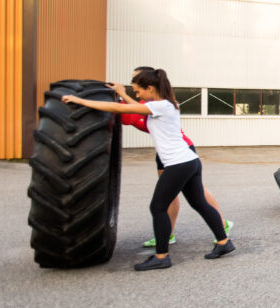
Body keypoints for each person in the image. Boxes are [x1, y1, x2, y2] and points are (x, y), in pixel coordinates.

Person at [62, 68, 235, 271]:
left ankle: (162, 256)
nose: (137, 95)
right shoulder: (166, 104)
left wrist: (81, 101)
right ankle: (224, 242)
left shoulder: (160, 106)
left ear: (150, 88)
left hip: (179, 164)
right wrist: (123, 93)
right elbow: (137, 108)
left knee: (158, 207)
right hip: (189, 161)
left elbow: (117, 108)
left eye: (138, 91)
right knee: (199, 204)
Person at [116, 66, 231, 248]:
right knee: (171, 195)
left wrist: (117, 99)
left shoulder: (158, 104)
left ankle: (222, 225)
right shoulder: (148, 103)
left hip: (181, 151)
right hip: (165, 153)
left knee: (194, 194)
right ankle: (167, 234)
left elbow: (129, 116)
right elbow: (132, 112)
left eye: (136, 80)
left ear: (149, 84)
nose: (134, 86)